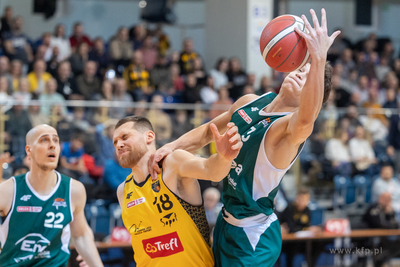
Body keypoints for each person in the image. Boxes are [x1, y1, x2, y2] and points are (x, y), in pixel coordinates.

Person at [150, 9, 339, 266]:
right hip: (226, 224)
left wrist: (318, 58)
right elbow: (208, 131)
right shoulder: (251, 101)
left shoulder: (289, 130)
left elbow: (307, 119)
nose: (299, 73)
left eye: (308, 75)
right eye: (301, 66)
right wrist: (171, 146)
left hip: (254, 234)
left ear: (313, 94)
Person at [114, 116, 242, 266]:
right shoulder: (123, 190)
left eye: (125, 137)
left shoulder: (172, 163)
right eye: (115, 142)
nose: (119, 144)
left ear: (149, 136)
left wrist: (223, 158)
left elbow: (211, 170)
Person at [0, 124, 103, 266]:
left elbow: (81, 235)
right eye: (44, 140)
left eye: (55, 140)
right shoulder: (7, 191)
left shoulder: (74, 189)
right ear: (29, 150)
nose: (52, 145)